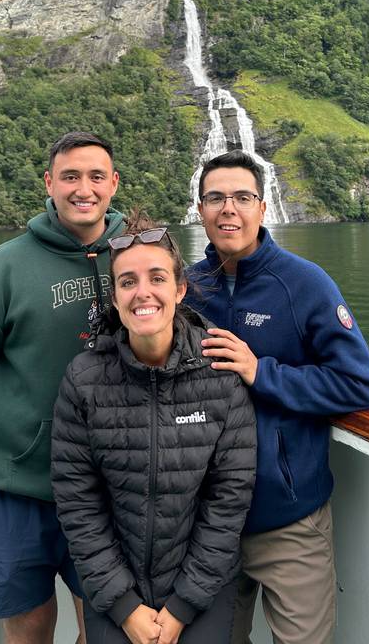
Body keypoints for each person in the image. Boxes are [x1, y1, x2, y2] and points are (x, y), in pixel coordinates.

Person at [0, 130, 125, 644]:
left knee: (106, 628)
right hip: (15, 487)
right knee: (28, 630)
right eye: (71, 176)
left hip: (110, 486)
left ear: (114, 184)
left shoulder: (135, 262)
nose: (84, 188)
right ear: (50, 183)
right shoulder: (5, 266)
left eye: (96, 176)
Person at [184, 150, 369, 644]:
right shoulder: (186, 288)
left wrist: (261, 372)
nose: (228, 209)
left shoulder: (306, 284)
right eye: (215, 198)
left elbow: (359, 384)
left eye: (242, 197)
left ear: (263, 207)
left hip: (289, 518)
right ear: (200, 209)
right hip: (206, 522)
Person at [51, 211, 257, 644]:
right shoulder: (84, 379)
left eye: (157, 278)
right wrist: (125, 608)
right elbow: (78, 502)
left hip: (201, 585)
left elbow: (228, 499)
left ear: (180, 289)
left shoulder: (219, 374)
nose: (143, 293)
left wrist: (182, 607)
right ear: (114, 299)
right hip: (115, 586)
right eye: (128, 282)